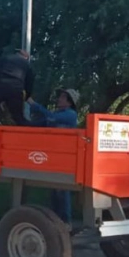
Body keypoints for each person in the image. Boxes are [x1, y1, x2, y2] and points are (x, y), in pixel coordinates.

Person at [28, 88, 80, 227]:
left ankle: (66, 221)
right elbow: (43, 123)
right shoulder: (58, 114)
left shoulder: (70, 114)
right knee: (53, 189)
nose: (59, 99)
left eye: (62, 98)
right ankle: (56, 220)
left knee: (62, 189)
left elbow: (50, 117)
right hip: (53, 156)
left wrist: (33, 104)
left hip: (65, 157)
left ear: (69, 102)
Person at [0, 49, 36, 126]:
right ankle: (26, 133)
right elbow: (29, 82)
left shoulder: (5, 58)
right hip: (16, 89)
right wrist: (26, 96)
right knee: (18, 118)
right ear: (26, 58)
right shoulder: (26, 64)